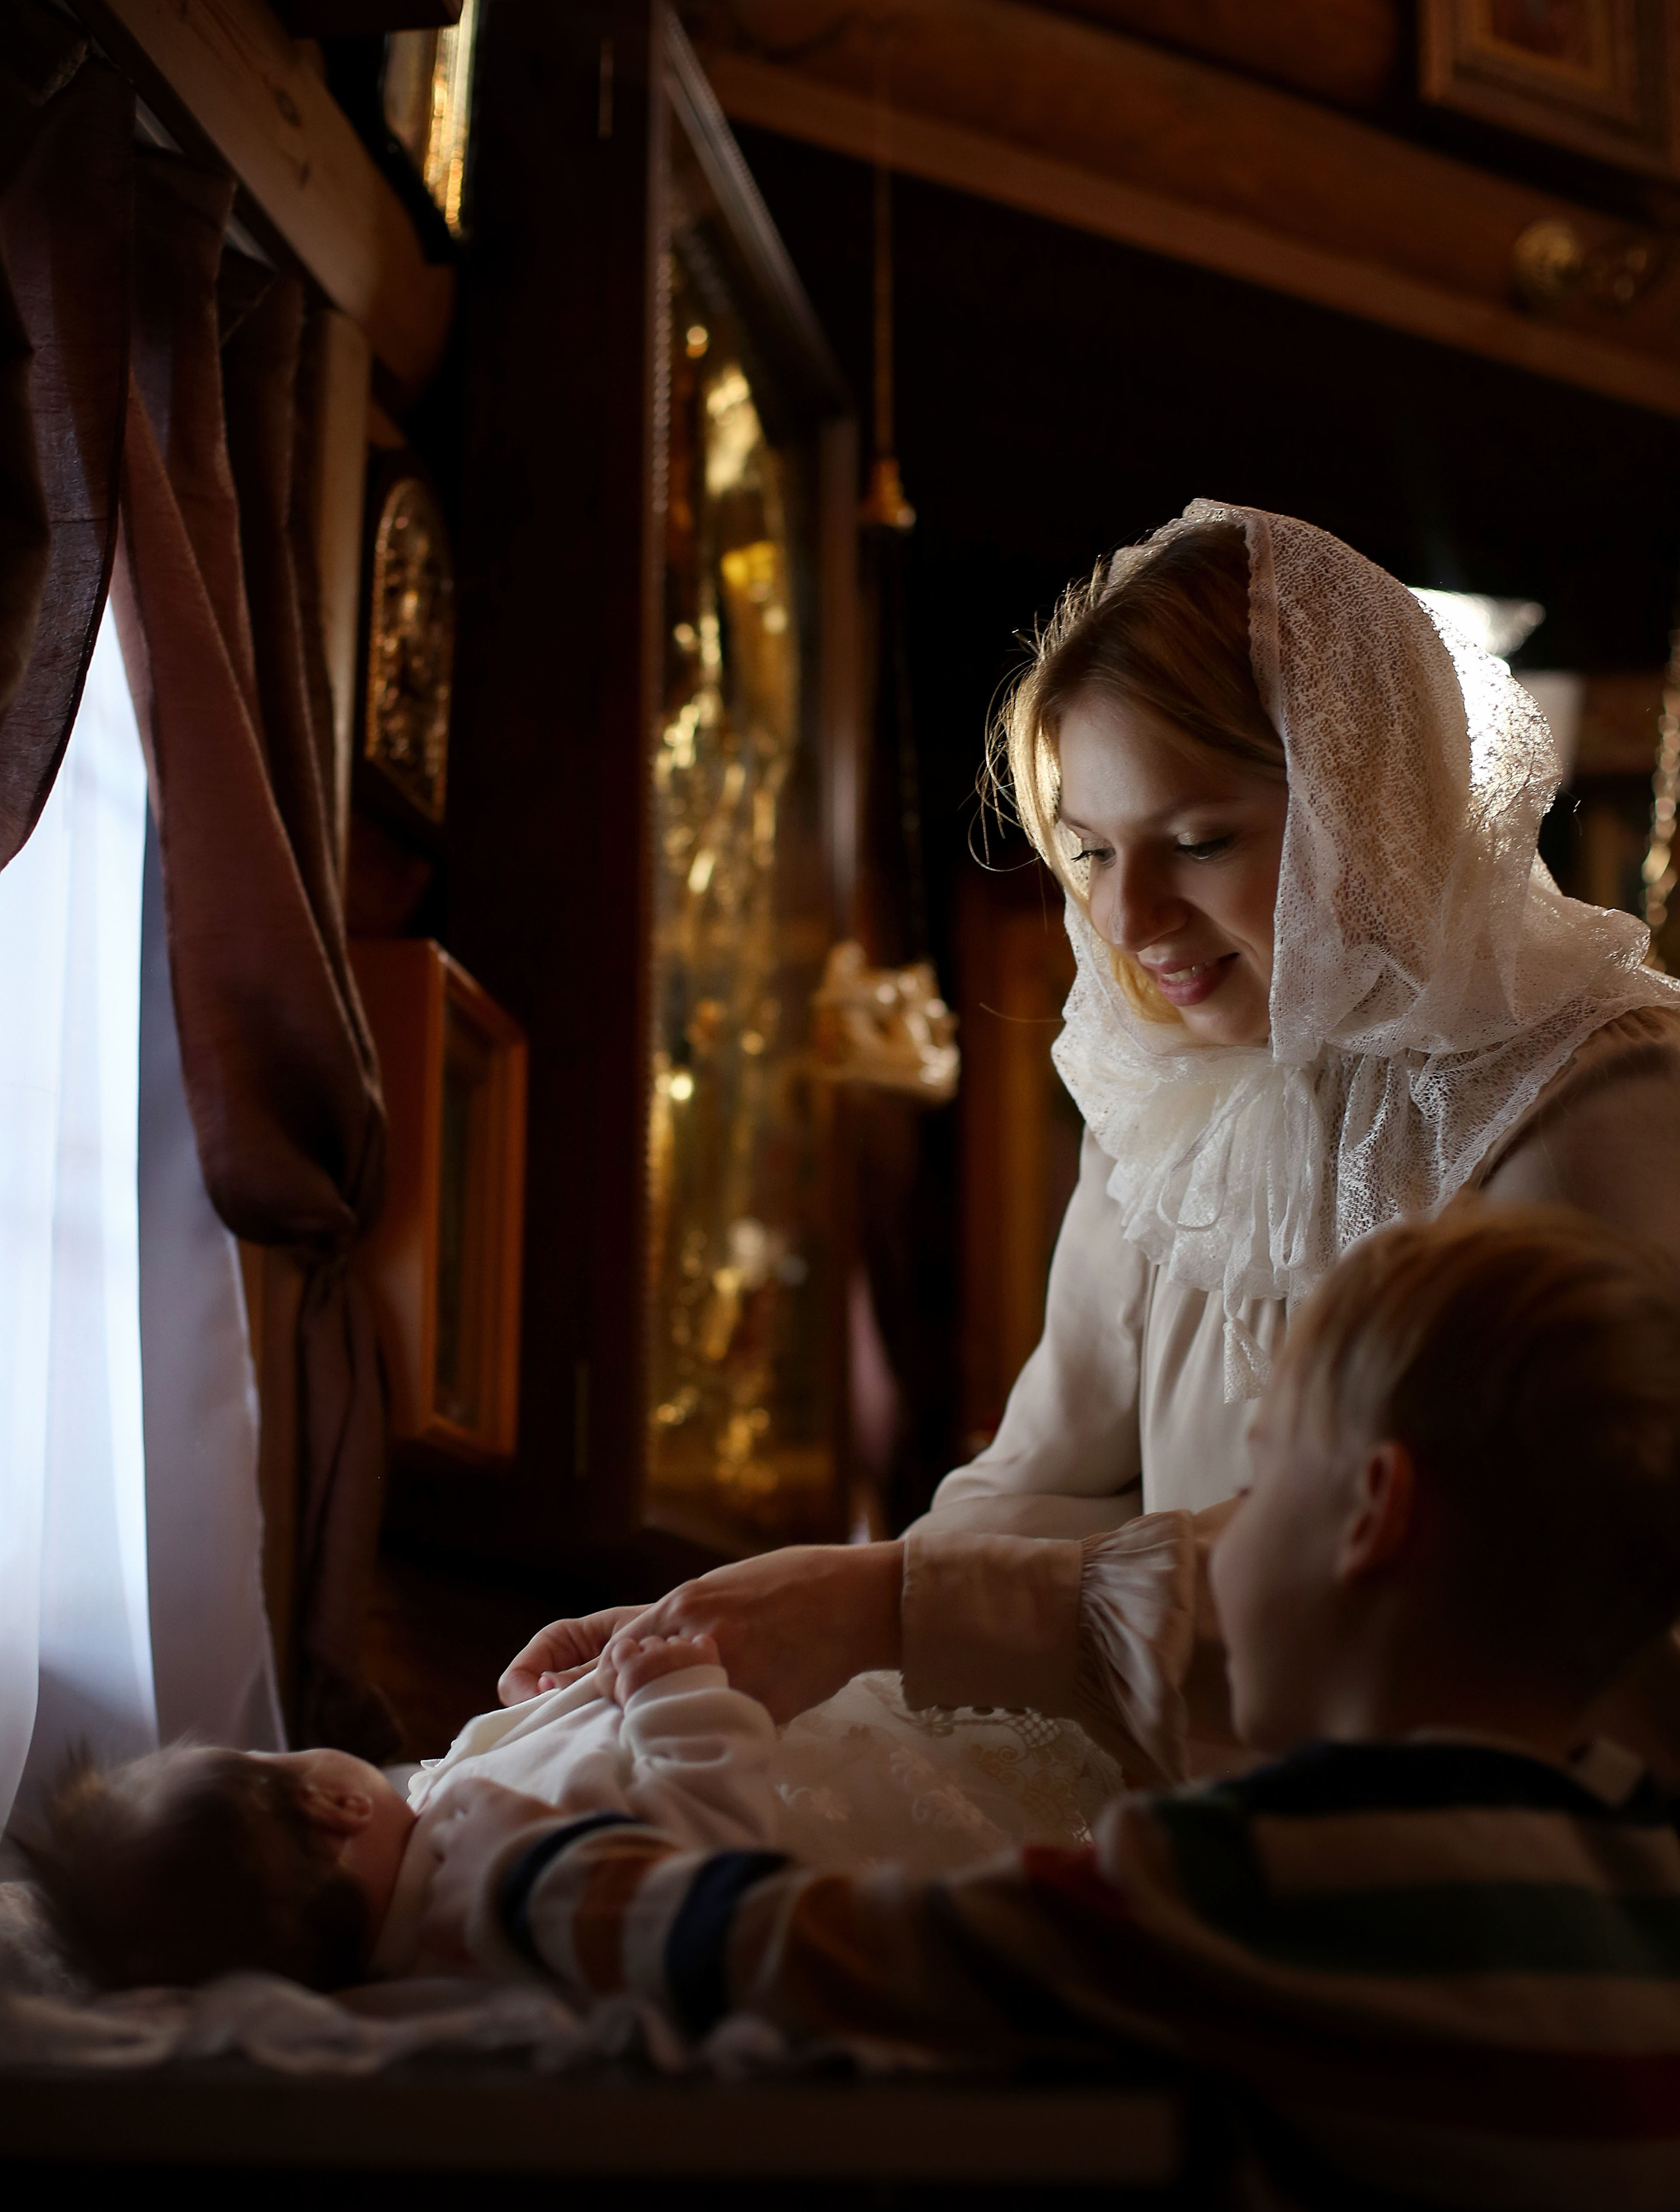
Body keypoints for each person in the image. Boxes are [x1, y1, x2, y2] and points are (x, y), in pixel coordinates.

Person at [499, 503, 1680, 1789]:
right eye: (1090, 852)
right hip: (1197, 1783)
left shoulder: (1589, 1089)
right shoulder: (1174, 1102)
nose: (1126, 917)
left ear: (1372, 808)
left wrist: (878, 1611)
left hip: (1489, 1827)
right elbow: (1043, 1483)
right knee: (574, 1772)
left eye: (1198, 842)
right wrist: (731, 1628)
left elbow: (1460, 1570)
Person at [421, 1205, 1680, 2206]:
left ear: (1371, 1517)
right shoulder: (1645, 1861)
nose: (1217, 1540)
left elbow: (836, 1957)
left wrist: (532, 1867)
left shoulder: (1267, 1878)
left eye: (1258, 1480)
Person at [22, 1600, 1122, 1989]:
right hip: (845, 1789)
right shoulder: (502, 1881)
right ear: (333, 1807)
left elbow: (522, 1752)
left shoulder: (432, 1835)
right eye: (276, 1763)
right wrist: (675, 1701)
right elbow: (702, 1850)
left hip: (749, 1718)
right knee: (1056, 1748)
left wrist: (554, 1701)